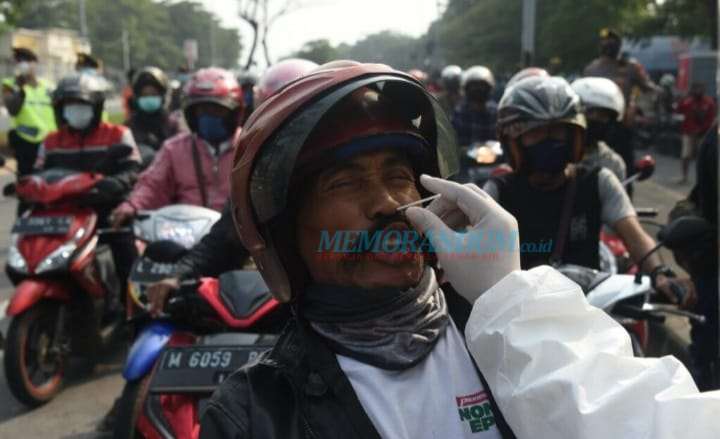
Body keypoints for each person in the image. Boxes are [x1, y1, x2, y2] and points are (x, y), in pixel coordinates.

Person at [200, 61, 517, 438]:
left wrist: (515, 305)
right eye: (344, 183)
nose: (386, 203)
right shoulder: (256, 412)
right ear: (287, 236)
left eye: (398, 177)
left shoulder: (506, 340)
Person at [482, 76, 694, 308]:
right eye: (537, 132)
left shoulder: (599, 181)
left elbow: (634, 234)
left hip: (589, 313)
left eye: (558, 131)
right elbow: (477, 253)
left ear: (574, 135)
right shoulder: (499, 191)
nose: (550, 141)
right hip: (518, 314)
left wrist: (659, 272)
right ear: (514, 141)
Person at [141, 58, 319, 318]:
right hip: (281, 303)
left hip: (347, 313)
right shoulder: (262, 176)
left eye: (300, 117)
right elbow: (224, 237)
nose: (290, 131)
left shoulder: (358, 171)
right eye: (278, 118)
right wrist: (178, 276)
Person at [35, 72, 141, 310]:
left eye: (81, 105)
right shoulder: (51, 141)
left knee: (126, 256)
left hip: (105, 209)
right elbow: (39, 174)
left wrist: (115, 183)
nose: (75, 111)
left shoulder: (118, 134)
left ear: (96, 107)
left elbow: (133, 169)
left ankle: (131, 310)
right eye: (69, 106)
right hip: (62, 215)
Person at [110, 67, 243, 228]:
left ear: (234, 112)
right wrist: (131, 206)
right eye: (202, 111)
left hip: (241, 237)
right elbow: (152, 185)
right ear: (191, 114)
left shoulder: (250, 146)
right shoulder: (174, 149)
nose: (208, 116)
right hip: (187, 234)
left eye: (216, 110)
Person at [584, 28, 659, 193]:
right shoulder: (591, 69)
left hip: (622, 126)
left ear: (619, 46)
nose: (608, 46)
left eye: (612, 43)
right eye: (605, 43)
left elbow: (650, 90)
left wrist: (636, 108)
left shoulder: (631, 67)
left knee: (624, 170)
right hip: (597, 125)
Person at [1, 47, 56, 182]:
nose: (22, 64)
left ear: (35, 64)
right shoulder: (9, 85)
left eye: (25, 61)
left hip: (50, 141)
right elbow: (13, 109)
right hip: (26, 141)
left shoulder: (49, 86)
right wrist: (20, 89)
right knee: (27, 183)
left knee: (51, 181)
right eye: (18, 61)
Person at [571, 76, 627, 181]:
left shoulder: (612, 162)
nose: (596, 119)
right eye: (590, 112)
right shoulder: (558, 154)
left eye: (603, 115)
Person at [125, 66, 179, 153]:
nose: (149, 98)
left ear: (162, 96)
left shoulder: (173, 125)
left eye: (153, 94)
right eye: (145, 95)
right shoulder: (128, 127)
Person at [674, 82, 716, 184]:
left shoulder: (709, 103)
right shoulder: (688, 101)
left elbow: (710, 120)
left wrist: (701, 129)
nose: (698, 91)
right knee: (685, 155)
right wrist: (683, 98)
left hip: (703, 134)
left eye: (700, 89)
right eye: (695, 89)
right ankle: (684, 176)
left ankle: (703, 178)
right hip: (688, 133)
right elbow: (678, 110)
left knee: (703, 158)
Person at [452, 65, 498, 145]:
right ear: (466, 89)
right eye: (474, 86)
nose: (478, 89)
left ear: (488, 88)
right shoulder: (460, 111)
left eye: (482, 86)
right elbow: (454, 138)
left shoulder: (495, 111)